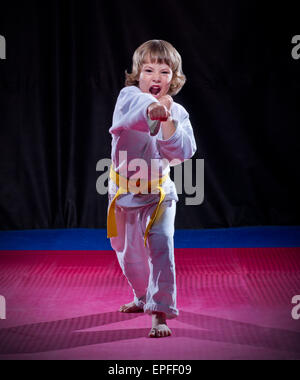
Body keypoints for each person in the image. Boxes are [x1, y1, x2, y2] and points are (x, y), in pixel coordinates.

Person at [107, 40, 197, 338]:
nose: (156, 77)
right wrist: (154, 109)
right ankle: (142, 296)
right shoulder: (128, 97)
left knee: (162, 246)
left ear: (174, 78)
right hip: (123, 194)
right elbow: (138, 110)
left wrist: (168, 118)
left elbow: (183, 152)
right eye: (148, 70)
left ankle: (160, 313)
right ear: (137, 75)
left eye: (164, 71)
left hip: (159, 194)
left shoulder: (178, 112)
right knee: (129, 256)